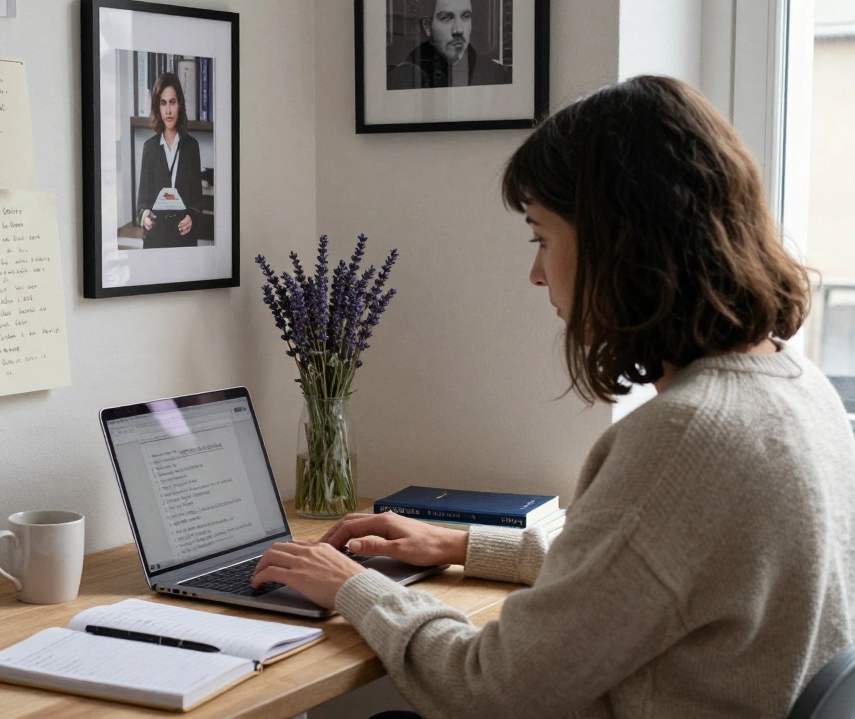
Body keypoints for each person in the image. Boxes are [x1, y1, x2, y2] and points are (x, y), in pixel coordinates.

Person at [251, 75, 855, 717]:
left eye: (541, 237)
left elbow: (492, 688)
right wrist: (459, 545)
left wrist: (357, 587)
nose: (535, 273)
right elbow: (645, 574)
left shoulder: (688, 438)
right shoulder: (797, 384)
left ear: (617, 242)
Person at [135, 72, 203, 249]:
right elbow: (141, 202)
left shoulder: (192, 147)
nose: (168, 110)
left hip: (184, 238)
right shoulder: (149, 148)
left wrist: (192, 217)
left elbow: (197, 201)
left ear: (180, 104)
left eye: (172, 102)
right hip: (155, 237)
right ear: (158, 106)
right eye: (163, 103)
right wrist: (144, 217)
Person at [388, 0, 511, 89]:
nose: (458, 30)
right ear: (427, 26)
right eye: (447, 17)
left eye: (465, 16)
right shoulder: (404, 78)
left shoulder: (496, 75)